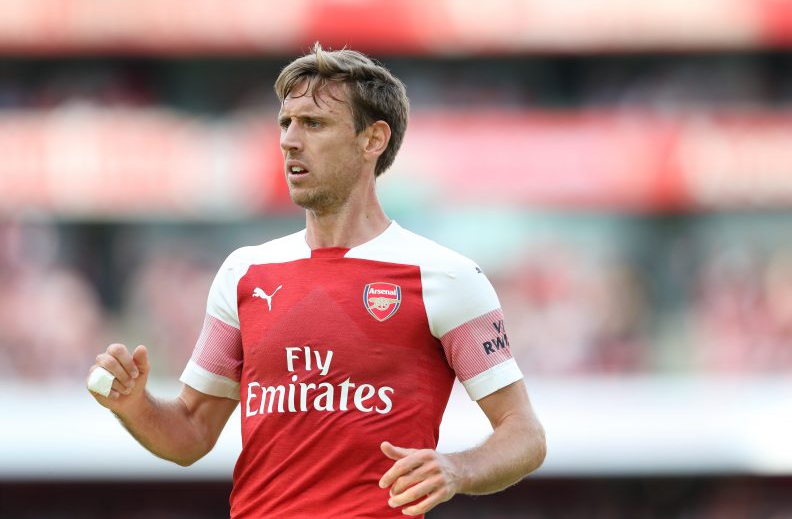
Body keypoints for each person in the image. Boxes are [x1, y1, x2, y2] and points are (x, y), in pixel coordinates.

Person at [87, 43, 546, 518]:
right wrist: (133, 405)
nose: (289, 140)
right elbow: (191, 433)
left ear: (373, 140)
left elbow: (524, 433)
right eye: (285, 123)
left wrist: (457, 468)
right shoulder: (245, 272)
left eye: (314, 123)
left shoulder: (444, 277)